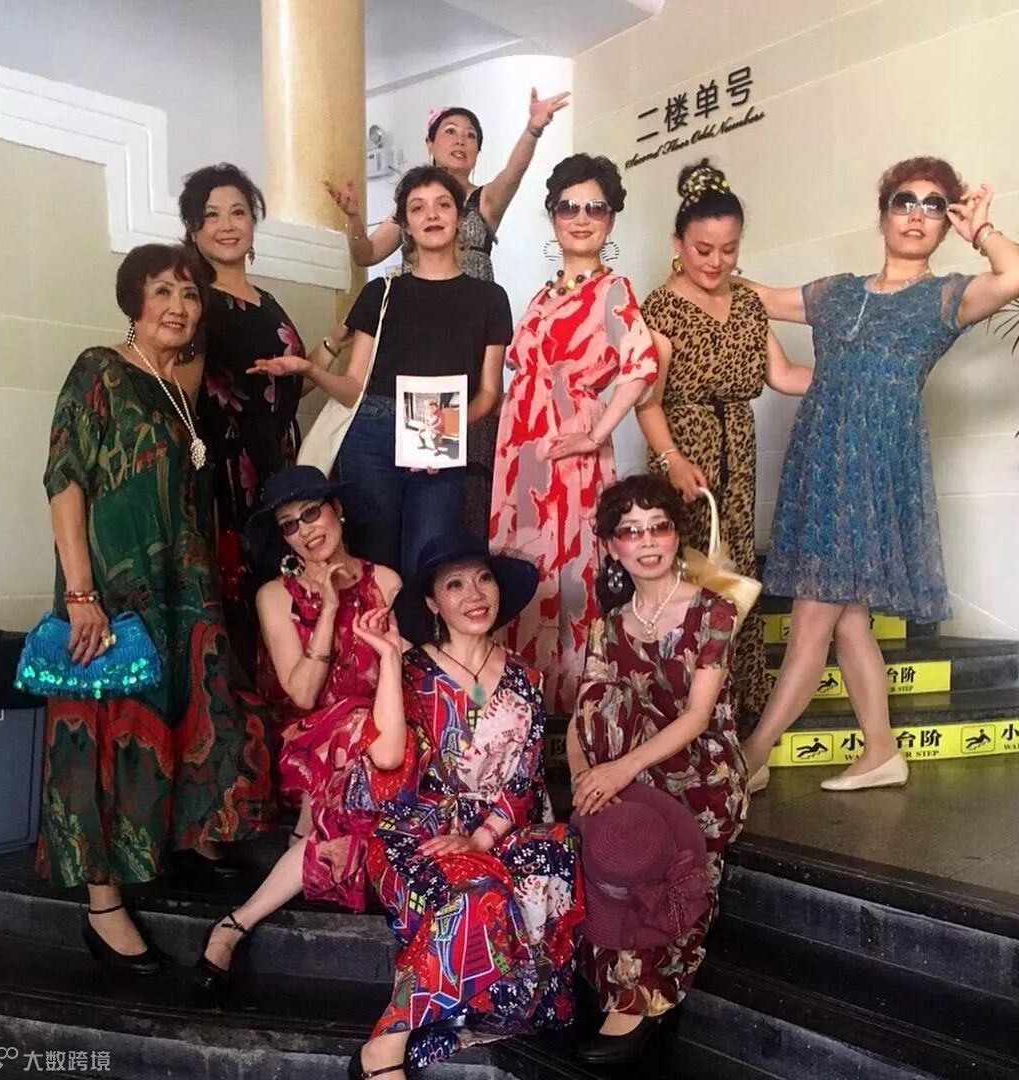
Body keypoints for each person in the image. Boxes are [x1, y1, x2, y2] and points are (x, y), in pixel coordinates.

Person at [739, 158, 1019, 790]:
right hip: (820, 465)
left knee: (813, 619)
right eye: (906, 201)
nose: (917, 215)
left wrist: (981, 230)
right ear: (882, 215)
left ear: (946, 224)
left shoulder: (945, 297)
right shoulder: (835, 293)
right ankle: (880, 752)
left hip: (875, 473)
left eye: (935, 206)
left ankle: (751, 757)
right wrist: (696, 264)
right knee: (847, 619)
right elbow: (754, 299)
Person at [37, 243, 275, 974]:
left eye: (189, 294)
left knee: (193, 714)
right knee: (105, 735)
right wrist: (81, 595)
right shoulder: (98, 369)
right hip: (111, 590)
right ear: (133, 301)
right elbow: (65, 480)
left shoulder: (176, 386)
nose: (178, 305)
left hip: (180, 587)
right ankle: (102, 905)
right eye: (162, 291)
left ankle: (174, 844)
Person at [347, 534, 584, 1079]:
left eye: (483, 579)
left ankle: (495, 1001)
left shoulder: (525, 678)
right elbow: (387, 764)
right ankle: (386, 1045)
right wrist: (388, 660)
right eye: (454, 584)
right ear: (432, 602)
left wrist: (480, 838)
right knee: (481, 893)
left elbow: (523, 780)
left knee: (559, 845)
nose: (475, 595)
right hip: (417, 836)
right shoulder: (410, 670)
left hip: (491, 832)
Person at [326, 92, 569, 542]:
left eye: (471, 135)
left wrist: (534, 128)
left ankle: (460, 564)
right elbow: (366, 253)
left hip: (469, 341)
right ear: (430, 144)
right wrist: (355, 219)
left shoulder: (483, 202)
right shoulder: (413, 205)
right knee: (385, 522)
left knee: (456, 492)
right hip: (419, 348)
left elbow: (513, 174)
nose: (460, 140)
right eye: (450, 132)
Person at [194, 466, 402, 987]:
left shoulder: (386, 582)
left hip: (375, 745)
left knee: (367, 738)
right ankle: (293, 853)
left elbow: (401, 675)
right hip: (306, 743)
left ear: (338, 511)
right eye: (290, 524)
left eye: (312, 512)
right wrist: (329, 610)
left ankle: (237, 920)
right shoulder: (275, 596)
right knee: (353, 732)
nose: (306, 530)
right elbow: (303, 694)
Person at [568, 474, 747, 1063]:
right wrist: (585, 784)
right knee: (609, 834)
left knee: (654, 857)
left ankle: (643, 998)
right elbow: (582, 714)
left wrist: (618, 774)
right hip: (630, 769)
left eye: (658, 527)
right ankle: (618, 985)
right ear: (612, 545)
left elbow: (697, 717)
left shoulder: (714, 610)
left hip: (699, 773)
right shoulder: (607, 624)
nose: (647, 542)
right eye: (631, 531)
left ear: (676, 535)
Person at [637, 159, 811, 760]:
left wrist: (850, 379)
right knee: (688, 576)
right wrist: (671, 460)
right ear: (678, 244)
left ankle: (735, 712)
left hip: (738, 446)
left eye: (729, 250)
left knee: (733, 577)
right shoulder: (660, 308)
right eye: (703, 249)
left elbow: (783, 374)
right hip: (684, 451)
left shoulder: (748, 304)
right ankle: (682, 715)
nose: (715, 262)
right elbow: (647, 400)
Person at [258, 166, 512, 575]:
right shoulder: (381, 292)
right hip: (372, 435)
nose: (432, 215)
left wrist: (444, 430)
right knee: (374, 567)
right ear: (405, 224)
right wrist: (310, 370)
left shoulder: (490, 298)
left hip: (442, 431)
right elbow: (353, 386)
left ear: (460, 217)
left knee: (430, 565)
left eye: (443, 205)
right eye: (418, 208)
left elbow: (488, 393)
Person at [491, 153, 658, 715]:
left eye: (595, 208)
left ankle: (574, 708)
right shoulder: (542, 295)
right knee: (521, 563)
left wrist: (596, 433)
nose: (581, 218)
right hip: (521, 446)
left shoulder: (614, 290)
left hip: (569, 442)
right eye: (569, 207)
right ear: (552, 215)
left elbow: (640, 367)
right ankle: (523, 704)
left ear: (611, 219)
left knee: (570, 569)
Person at [179, 163, 343, 672]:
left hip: (279, 465)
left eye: (238, 212)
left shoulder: (267, 302)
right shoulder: (196, 303)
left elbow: (288, 385)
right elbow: (182, 394)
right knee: (242, 590)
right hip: (229, 472)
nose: (227, 225)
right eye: (212, 215)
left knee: (290, 589)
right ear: (193, 228)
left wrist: (336, 341)